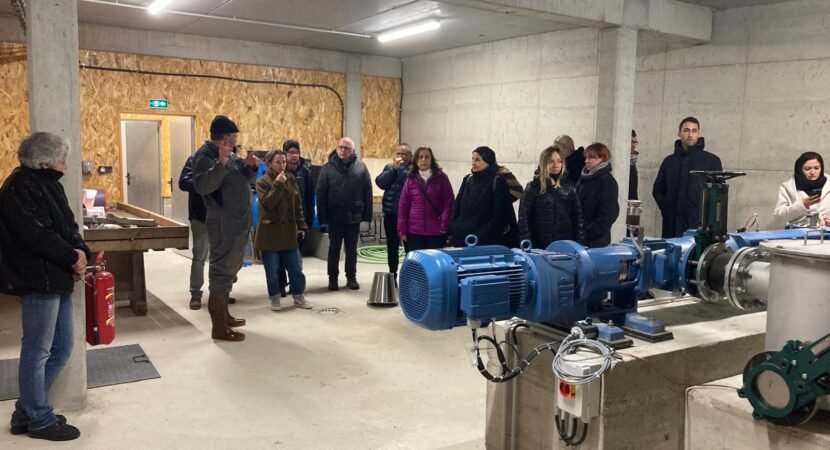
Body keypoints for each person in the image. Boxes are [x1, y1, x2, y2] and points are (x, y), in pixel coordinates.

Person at [0, 132, 89, 441]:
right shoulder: (19, 187)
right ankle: (38, 418)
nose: (66, 164)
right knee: (37, 351)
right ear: (44, 162)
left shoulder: (48, 184)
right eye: (62, 158)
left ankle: (26, 411)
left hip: (58, 276)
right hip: (39, 279)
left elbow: (68, 226)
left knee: (61, 348)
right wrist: (71, 256)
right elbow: (36, 235)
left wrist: (81, 253)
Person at [192, 115, 258, 342]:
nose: (235, 142)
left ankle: (225, 316)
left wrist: (249, 168)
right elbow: (202, 186)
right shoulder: (204, 156)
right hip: (223, 223)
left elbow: (239, 178)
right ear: (222, 139)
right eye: (232, 138)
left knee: (230, 269)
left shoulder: (228, 155)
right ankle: (218, 327)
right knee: (221, 271)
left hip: (236, 222)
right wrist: (220, 163)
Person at [255, 150, 311, 311]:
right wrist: (278, 184)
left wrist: (302, 225)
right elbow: (268, 203)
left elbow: (297, 204)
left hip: (288, 233)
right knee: (272, 271)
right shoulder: (262, 182)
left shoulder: (291, 179)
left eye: (284, 162)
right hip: (270, 234)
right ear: (269, 164)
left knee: (296, 269)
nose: (282, 165)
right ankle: (275, 298)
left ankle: (299, 296)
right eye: (278, 162)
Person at [316, 137, 373, 291]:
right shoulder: (327, 168)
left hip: (354, 216)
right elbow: (321, 194)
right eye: (340, 147)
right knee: (334, 248)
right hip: (335, 216)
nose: (343, 150)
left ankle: (351, 277)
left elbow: (367, 191)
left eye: (346, 148)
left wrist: (367, 214)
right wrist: (323, 217)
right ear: (336, 149)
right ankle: (332, 278)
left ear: (353, 151)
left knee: (352, 249)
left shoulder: (361, 168)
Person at [652, 117, 723, 238]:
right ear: (679, 133)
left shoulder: (711, 161)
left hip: (699, 227)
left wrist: (706, 218)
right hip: (671, 226)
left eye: (694, 131)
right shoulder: (669, 161)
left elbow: (719, 194)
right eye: (686, 130)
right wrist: (666, 208)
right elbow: (658, 189)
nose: (690, 135)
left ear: (698, 133)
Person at [450, 146, 518, 248]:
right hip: (464, 239)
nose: (473, 163)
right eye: (472, 159)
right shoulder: (468, 180)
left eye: (477, 160)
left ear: (488, 161)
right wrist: (456, 227)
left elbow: (500, 215)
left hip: (487, 242)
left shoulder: (497, 181)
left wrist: (483, 234)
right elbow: (456, 207)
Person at [518, 146, 585, 249]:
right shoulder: (533, 187)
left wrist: (579, 243)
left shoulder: (570, 186)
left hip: (565, 243)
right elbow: (524, 218)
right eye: (551, 161)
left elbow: (578, 218)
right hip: (539, 245)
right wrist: (526, 242)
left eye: (559, 161)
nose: (556, 165)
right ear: (544, 163)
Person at [276, 139, 315, 297]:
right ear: (285, 153)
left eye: (296, 152)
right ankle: (280, 286)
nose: (294, 156)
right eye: (290, 152)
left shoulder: (305, 171)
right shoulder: (278, 172)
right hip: (281, 223)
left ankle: (296, 286)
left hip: (299, 222)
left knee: (295, 258)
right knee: (279, 257)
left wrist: (307, 221)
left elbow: (310, 197)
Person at [397, 147, 454, 251]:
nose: (423, 160)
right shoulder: (411, 179)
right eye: (420, 157)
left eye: (427, 157)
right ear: (416, 160)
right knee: (417, 264)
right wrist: (402, 229)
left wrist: (444, 225)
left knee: (434, 264)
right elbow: (403, 206)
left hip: (436, 232)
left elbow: (449, 203)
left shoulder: (442, 178)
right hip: (414, 232)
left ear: (431, 160)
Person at [375, 143, 412, 277]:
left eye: (404, 154)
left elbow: (409, 182)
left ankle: (409, 275)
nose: (400, 157)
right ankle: (392, 273)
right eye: (398, 154)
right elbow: (380, 182)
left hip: (408, 217)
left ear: (410, 156)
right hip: (391, 214)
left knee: (409, 248)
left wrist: (400, 170)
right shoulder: (390, 167)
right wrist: (392, 170)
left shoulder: (413, 170)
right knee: (392, 246)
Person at [577, 143, 620, 248]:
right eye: (586, 157)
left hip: (596, 241)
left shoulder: (607, 181)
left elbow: (609, 214)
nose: (586, 161)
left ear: (602, 158)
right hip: (579, 237)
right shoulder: (583, 179)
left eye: (591, 157)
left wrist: (588, 231)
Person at [774, 151, 830, 227]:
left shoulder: (828, 184)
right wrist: (801, 205)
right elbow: (779, 216)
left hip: (826, 234)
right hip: (797, 234)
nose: (813, 172)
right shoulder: (788, 187)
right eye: (807, 169)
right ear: (799, 169)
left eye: (817, 168)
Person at [629, 130, 639, 201]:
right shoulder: (617, 163)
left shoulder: (632, 162)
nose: (634, 145)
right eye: (632, 141)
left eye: (635, 142)